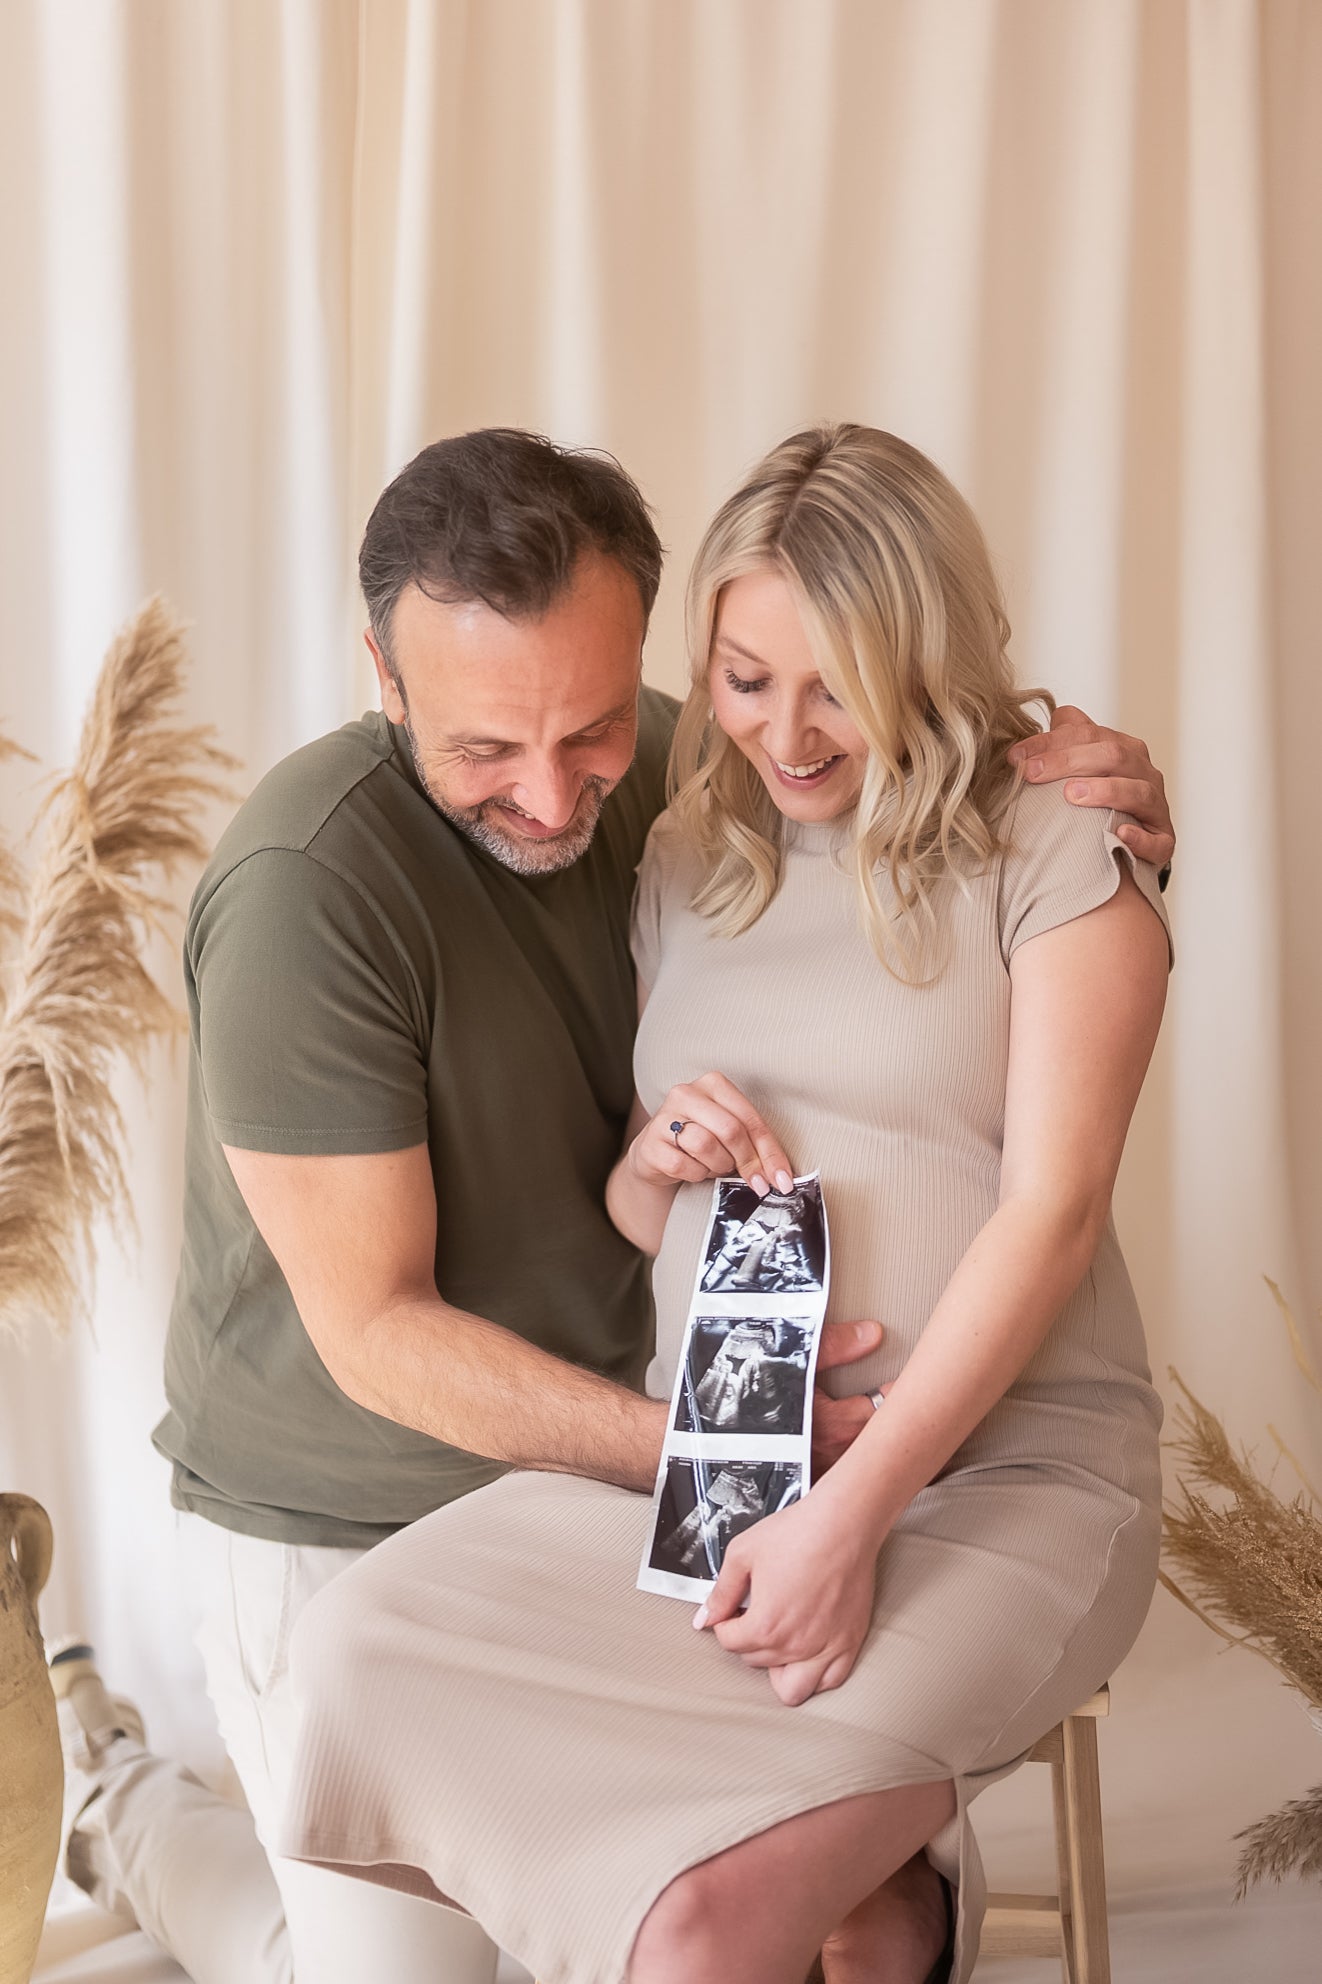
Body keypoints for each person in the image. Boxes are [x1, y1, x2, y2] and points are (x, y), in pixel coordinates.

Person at [56, 428, 1175, 1984]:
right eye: (746, 679)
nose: (544, 785)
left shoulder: (877, 814)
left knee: (693, 1933)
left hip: (938, 1474)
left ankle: (871, 1894)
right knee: (348, 1727)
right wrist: (692, 1332)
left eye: (587, 729)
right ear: (386, 682)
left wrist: (841, 1504)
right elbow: (398, 1321)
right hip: (468, 1479)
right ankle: (127, 1809)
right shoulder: (371, 882)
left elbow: (1046, 1210)